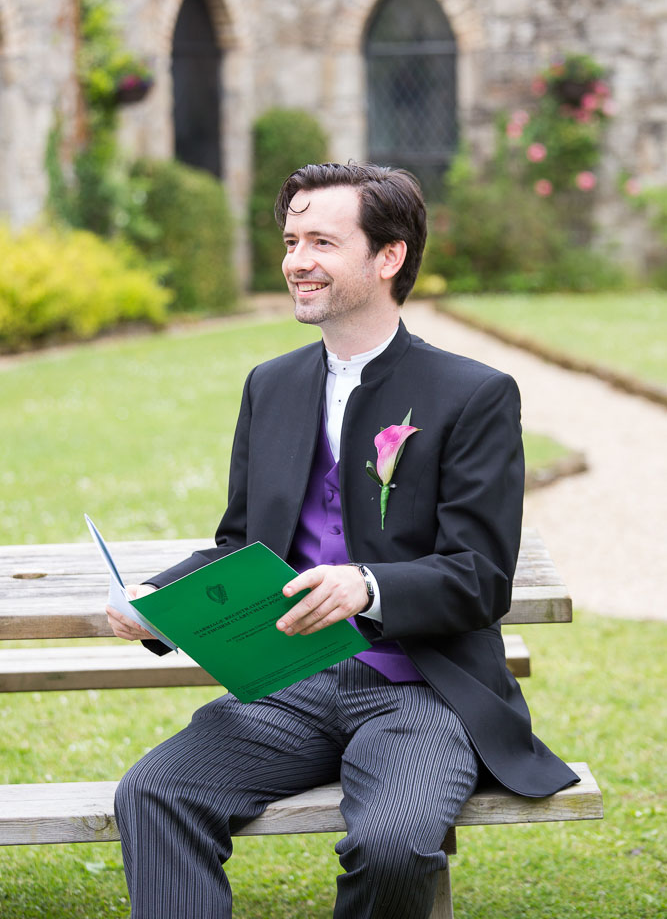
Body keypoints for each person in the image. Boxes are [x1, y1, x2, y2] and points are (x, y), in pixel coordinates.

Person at [108, 162, 578, 919]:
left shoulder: (474, 394)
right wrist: (158, 600)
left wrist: (369, 585)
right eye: (291, 240)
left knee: (393, 845)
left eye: (321, 241)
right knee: (157, 791)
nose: (296, 260)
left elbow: (480, 576)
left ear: (387, 256)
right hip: (291, 684)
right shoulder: (271, 384)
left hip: (418, 691)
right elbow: (241, 545)